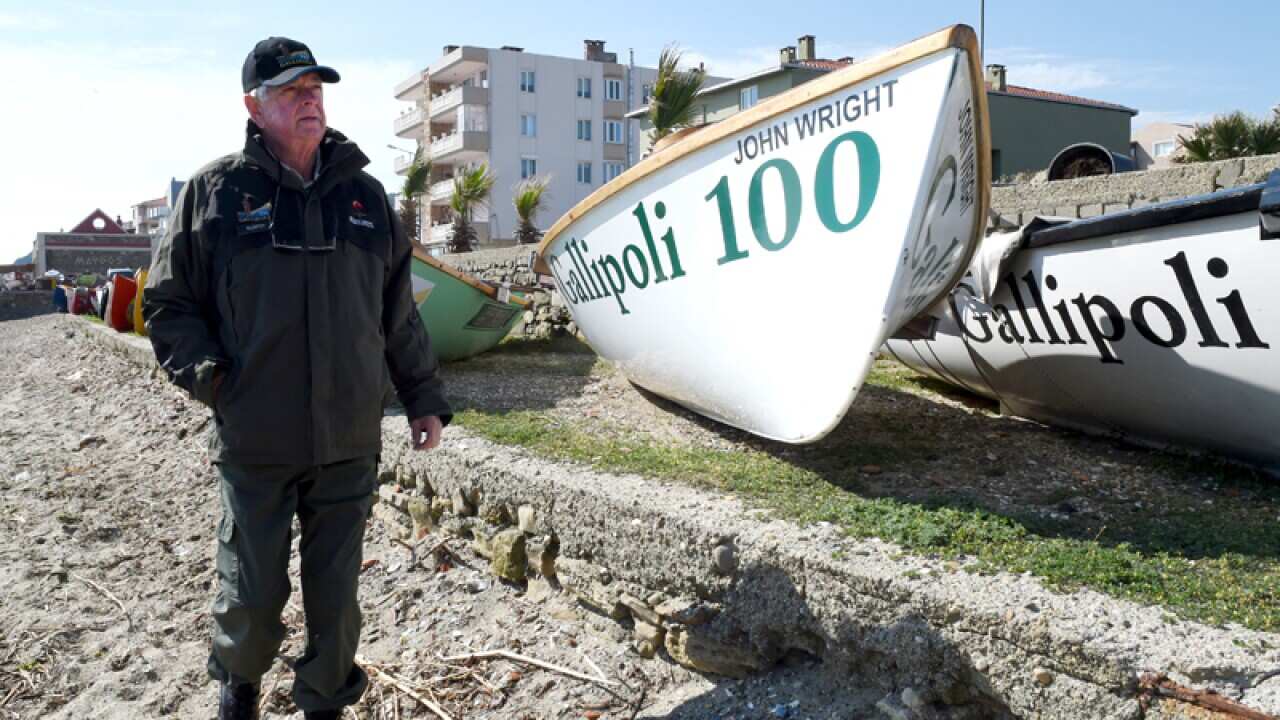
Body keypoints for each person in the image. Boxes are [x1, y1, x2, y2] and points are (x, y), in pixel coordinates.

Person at [144, 36, 452, 720]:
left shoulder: (367, 199)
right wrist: (213, 380)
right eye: (290, 90)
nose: (309, 98)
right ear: (254, 106)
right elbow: (166, 305)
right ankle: (240, 691)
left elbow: (397, 311)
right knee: (251, 593)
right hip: (257, 439)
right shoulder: (214, 194)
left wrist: (422, 395)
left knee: (336, 600)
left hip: (348, 439)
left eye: (315, 87)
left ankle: (323, 706)